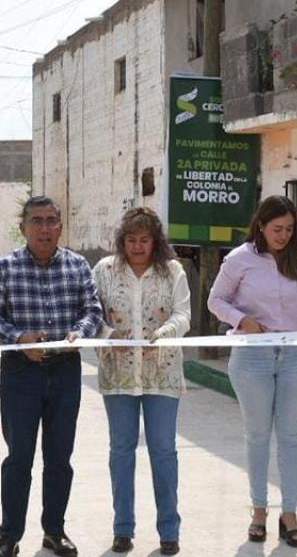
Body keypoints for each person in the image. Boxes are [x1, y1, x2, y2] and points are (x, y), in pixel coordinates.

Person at [0, 196, 104, 557]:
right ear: (23, 228)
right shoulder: (5, 268)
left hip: (65, 371)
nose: (44, 228)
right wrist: (19, 340)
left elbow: (93, 311)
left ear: (61, 227)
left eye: (51, 221)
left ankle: (54, 531)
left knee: (59, 457)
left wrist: (77, 334)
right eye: (37, 221)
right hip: (20, 373)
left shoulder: (79, 266)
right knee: (19, 457)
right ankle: (9, 536)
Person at [207, 195, 297, 549]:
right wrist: (242, 320)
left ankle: (290, 514)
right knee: (257, 435)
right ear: (260, 225)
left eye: (289, 229)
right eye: (277, 229)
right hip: (252, 358)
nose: (283, 235)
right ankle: (259, 510)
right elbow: (216, 300)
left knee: (291, 437)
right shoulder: (240, 258)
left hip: (296, 357)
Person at [92, 207, 190, 556]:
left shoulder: (172, 271)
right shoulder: (104, 271)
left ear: (156, 242)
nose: (137, 246)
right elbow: (90, 312)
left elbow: (183, 314)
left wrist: (165, 332)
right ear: (122, 241)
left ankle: (169, 531)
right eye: (131, 240)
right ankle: (122, 529)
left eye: (144, 240)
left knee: (164, 451)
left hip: (161, 373)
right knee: (121, 452)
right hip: (118, 375)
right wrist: (107, 332)